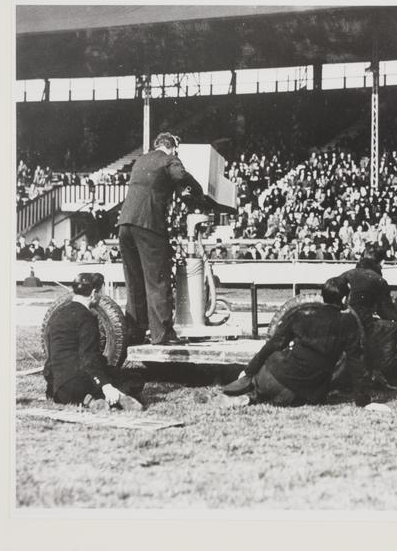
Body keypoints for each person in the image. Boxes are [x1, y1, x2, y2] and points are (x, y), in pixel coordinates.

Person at [224, 278, 373, 408]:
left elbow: (273, 344)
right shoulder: (348, 323)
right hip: (305, 391)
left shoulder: (301, 313)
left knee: (276, 363)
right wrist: (364, 401)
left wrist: (249, 371)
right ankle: (254, 398)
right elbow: (356, 362)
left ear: (323, 296)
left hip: (272, 377)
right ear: (343, 299)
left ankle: (253, 392)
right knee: (298, 392)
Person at [118, 132, 204, 345]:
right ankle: (162, 334)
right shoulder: (169, 159)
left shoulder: (141, 160)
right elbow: (181, 176)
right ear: (173, 147)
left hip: (125, 224)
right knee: (157, 280)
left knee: (135, 281)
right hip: (149, 224)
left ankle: (136, 332)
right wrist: (197, 191)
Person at [43, 273, 142, 411]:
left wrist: (52, 387)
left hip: (59, 388)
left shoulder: (57, 314)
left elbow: (50, 358)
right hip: (79, 382)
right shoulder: (86, 317)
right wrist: (105, 385)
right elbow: (88, 358)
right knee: (133, 379)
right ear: (94, 293)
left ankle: (89, 400)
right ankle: (117, 397)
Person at [333, 243, 397, 385]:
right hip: (361, 324)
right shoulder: (380, 280)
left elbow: (332, 291)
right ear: (381, 262)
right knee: (392, 327)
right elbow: (386, 311)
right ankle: (376, 370)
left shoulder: (348, 273)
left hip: (340, 318)